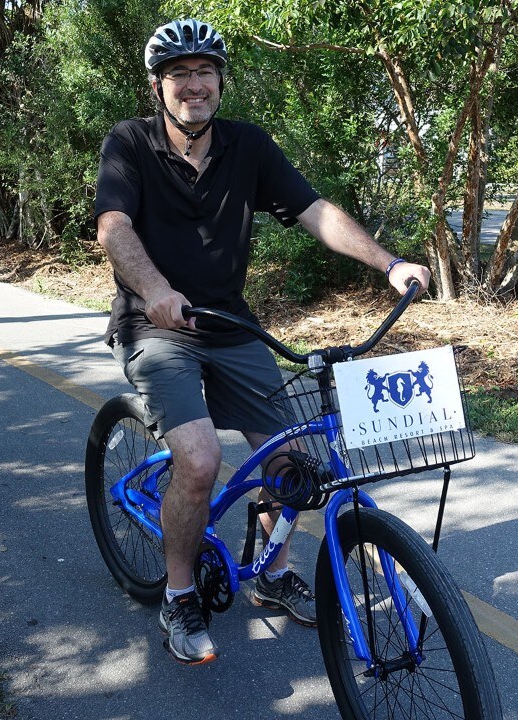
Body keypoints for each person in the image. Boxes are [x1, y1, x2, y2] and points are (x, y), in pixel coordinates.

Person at [94, 18, 430, 665]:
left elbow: (315, 210)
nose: (194, 85)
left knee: (297, 465)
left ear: (219, 79)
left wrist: (389, 264)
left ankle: (271, 575)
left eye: (204, 72)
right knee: (197, 463)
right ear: (159, 86)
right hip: (154, 325)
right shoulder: (129, 143)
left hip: (231, 324)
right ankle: (180, 593)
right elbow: (114, 227)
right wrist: (156, 289)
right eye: (179, 74)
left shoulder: (248, 147)